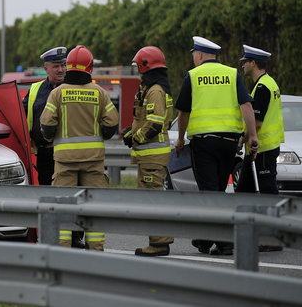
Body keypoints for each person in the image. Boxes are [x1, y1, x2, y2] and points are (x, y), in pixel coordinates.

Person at [174, 36, 259, 256]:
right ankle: (207, 240)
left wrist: (180, 138)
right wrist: (252, 136)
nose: (193, 58)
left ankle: (221, 241)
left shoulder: (193, 76)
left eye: (194, 54)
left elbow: (184, 112)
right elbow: (247, 105)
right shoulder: (232, 74)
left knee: (209, 192)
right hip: (229, 144)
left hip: (204, 144)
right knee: (218, 191)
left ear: (200, 55)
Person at [40, 45, 120, 251]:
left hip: (65, 161)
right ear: (90, 68)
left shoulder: (57, 93)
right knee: (93, 207)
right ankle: (96, 250)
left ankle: (63, 250)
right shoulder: (100, 93)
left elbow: (47, 126)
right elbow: (111, 124)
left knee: (63, 207)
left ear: (68, 67)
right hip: (93, 161)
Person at [123, 46, 176, 257]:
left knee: (152, 199)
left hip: (153, 155)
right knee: (152, 198)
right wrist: (131, 131)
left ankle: (159, 243)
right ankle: (160, 239)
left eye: (138, 66)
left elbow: (154, 124)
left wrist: (135, 138)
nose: (137, 71)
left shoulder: (154, 91)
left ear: (146, 66)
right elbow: (145, 119)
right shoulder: (151, 88)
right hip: (150, 156)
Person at [238, 44, 284, 252]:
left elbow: (256, 122)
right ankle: (240, 236)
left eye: (245, 62)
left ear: (253, 63)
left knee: (267, 192)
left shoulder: (263, 86)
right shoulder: (266, 83)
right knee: (243, 192)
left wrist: (243, 138)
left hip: (262, 148)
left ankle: (273, 238)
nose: (243, 66)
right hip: (259, 149)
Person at [22, 46, 67, 186]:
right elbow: (21, 113)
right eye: (56, 66)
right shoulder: (36, 89)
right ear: (46, 68)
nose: (60, 70)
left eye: (63, 65)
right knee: (45, 188)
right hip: (44, 153)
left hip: (66, 153)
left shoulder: (71, 88)